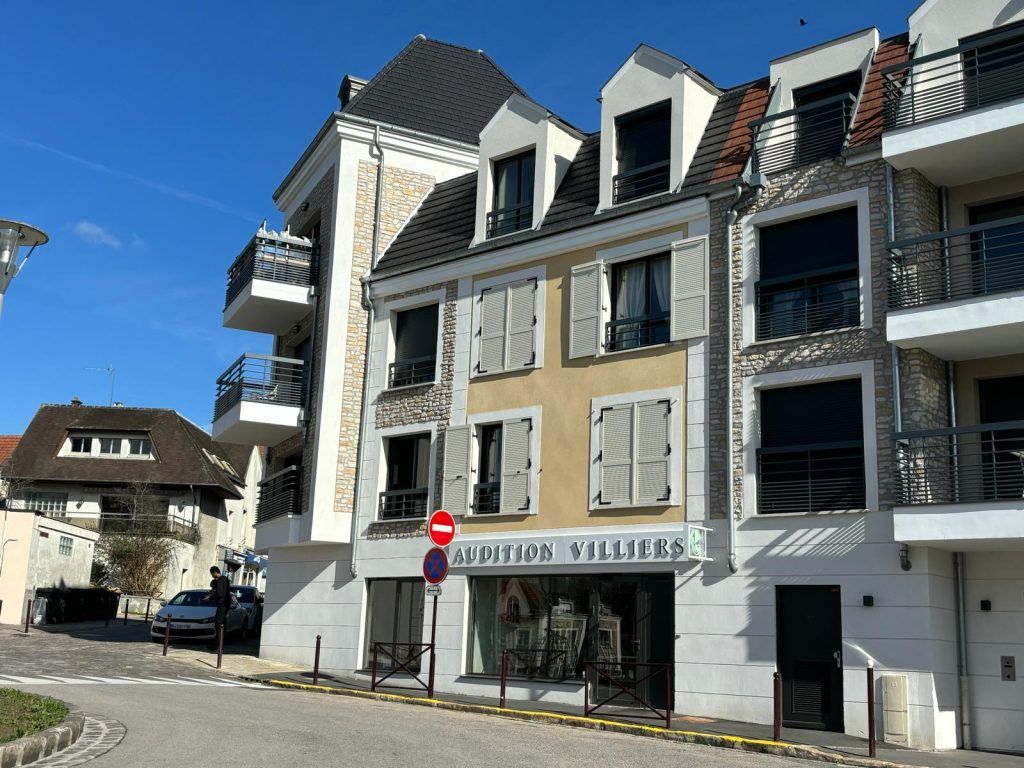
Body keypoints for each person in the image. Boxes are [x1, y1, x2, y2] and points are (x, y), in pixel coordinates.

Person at [204, 566, 231, 646]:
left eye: (212, 574)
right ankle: (221, 643)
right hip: (226, 603)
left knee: (218, 624)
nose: (212, 575)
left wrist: (210, 597)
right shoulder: (225, 579)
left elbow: (220, 593)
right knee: (222, 623)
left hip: (222, 604)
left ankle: (219, 644)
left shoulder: (219, 580)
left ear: (215, 572)